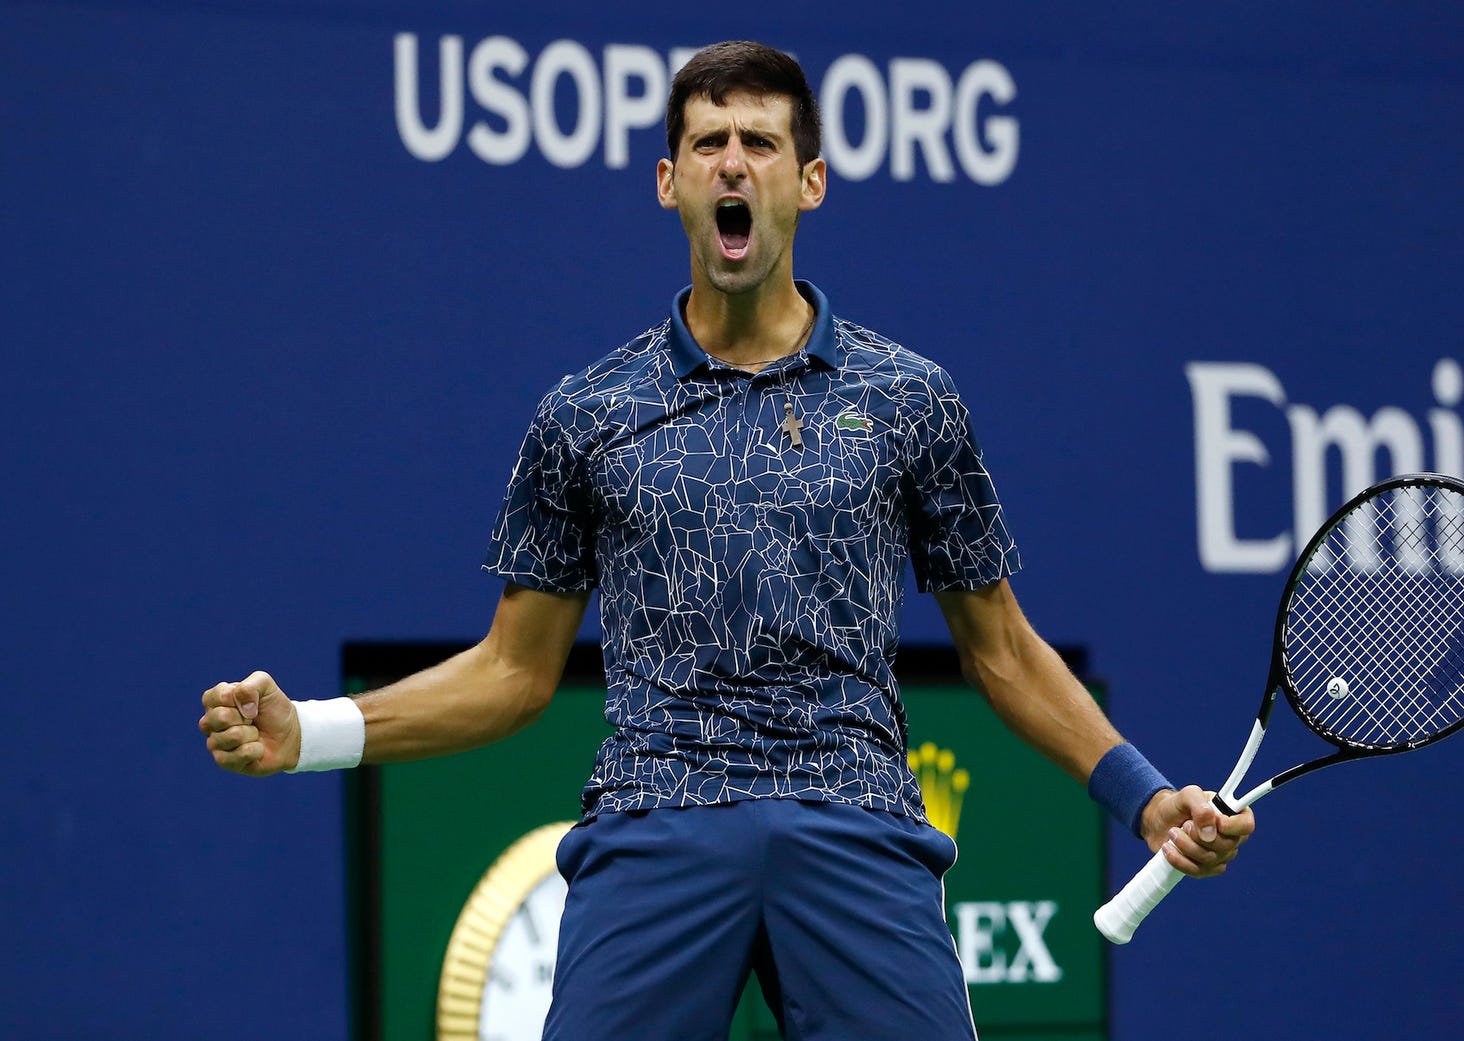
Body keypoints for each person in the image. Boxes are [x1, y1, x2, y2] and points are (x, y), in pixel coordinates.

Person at [198, 40, 1253, 1040]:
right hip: (657, 815)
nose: (733, 165)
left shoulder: (909, 400)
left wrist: (1147, 797)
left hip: (852, 813)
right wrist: (314, 733)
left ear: (810, 183)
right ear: (670, 183)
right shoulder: (587, 412)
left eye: (759, 143)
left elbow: (1003, 650)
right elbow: (511, 674)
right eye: (709, 144)